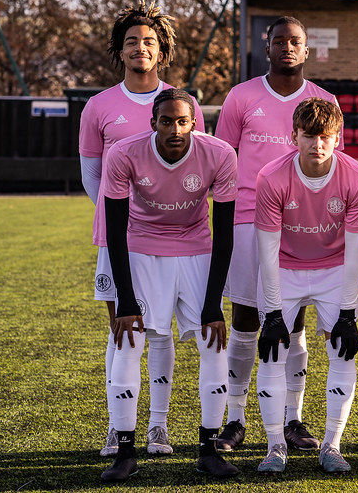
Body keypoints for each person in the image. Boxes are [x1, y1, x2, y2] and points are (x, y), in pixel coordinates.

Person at [78, 0, 204, 458]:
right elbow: (92, 175)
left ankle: (158, 426)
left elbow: (196, 168)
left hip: (172, 239)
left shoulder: (183, 103)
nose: (140, 48)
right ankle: (119, 427)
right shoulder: (98, 106)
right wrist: (123, 221)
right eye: (131, 41)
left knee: (161, 332)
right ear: (120, 50)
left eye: (149, 41)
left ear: (162, 50)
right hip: (120, 238)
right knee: (122, 328)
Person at [214, 16, 340, 454]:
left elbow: (330, 167)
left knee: (295, 319)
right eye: (279, 40)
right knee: (247, 318)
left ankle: (292, 418)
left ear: (307, 50)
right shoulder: (241, 96)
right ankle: (234, 419)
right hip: (249, 218)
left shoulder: (324, 101)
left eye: (295, 41)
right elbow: (223, 158)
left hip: (301, 223)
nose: (287, 47)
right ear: (266, 47)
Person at [99, 88, 238, 481]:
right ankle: (125, 452)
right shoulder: (124, 153)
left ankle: (209, 450)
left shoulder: (220, 154)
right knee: (128, 341)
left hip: (196, 250)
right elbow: (115, 231)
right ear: (153, 123)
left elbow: (224, 234)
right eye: (166, 121)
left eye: (182, 121)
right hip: (142, 248)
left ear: (194, 123)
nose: (175, 129)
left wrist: (213, 304)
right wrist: (125, 300)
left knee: (214, 342)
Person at [252, 98, 358, 474]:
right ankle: (275, 446)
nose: (317, 144)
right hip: (284, 268)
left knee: (343, 352)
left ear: (338, 138)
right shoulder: (271, 177)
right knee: (272, 353)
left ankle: (332, 446)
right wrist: (273, 312)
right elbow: (267, 251)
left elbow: (355, 252)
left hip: (334, 268)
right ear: (294, 136)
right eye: (309, 136)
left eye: (325, 136)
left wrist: (348, 312)